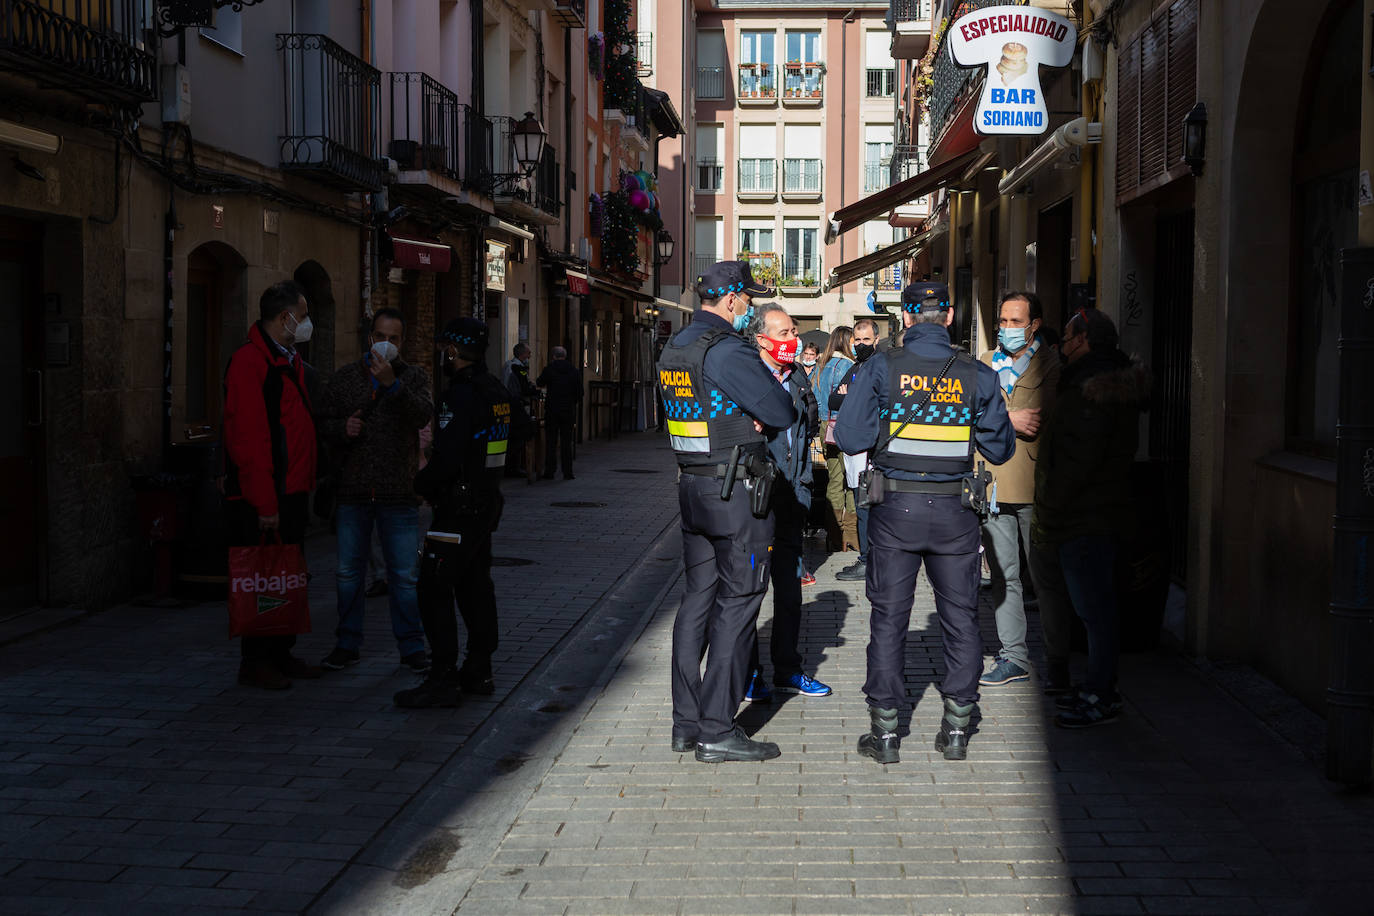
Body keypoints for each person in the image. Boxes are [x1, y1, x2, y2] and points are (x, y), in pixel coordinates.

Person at [835, 281, 1014, 763]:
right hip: (956, 513)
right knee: (960, 618)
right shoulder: (978, 374)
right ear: (950, 316)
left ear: (907, 319)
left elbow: (850, 438)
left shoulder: (880, 367)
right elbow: (1000, 448)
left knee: (889, 619)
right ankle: (957, 728)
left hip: (894, 511)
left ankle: (886, 733)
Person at [659, 260, 796, 762]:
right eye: (749, 300)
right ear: (733, 300)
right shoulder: (727, 348)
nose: (751, 308)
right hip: (736, 493)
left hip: (693, 486)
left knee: (697, 600)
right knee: (741, 600)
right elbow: (781, 411)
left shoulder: (676, 345)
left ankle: (685, 722)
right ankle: (717, 728)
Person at [1030, 307, 1149, 728]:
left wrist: (1050, 511)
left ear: (1083, 340)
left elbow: (1078, 462)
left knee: (1095, 611)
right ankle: (1100, 687)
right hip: (1095, 514)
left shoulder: (1088, 391)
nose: (1061, 340)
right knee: (1096, 610)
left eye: (1066, 334)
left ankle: (1102, 694)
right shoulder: (1097, 383)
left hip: (1084, 519)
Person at [396, 317, 521, 708]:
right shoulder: (496, 391)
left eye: (442, 349)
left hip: (458, 508)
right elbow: (522, 431)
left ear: (452, 351)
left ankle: (441, 677)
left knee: (433, 588)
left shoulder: (459, 396)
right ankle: (479, 668)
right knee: (475, 586)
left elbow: (448, 457)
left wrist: (420, 486)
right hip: (486, 503)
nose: (440, 356)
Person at [317, 308, 433, 675]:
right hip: (353, 491)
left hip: (398, 491)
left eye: (394, 337)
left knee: (404, 575)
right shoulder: (346, 377)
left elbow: (422, 415)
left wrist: (393, 386)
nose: (387, 343)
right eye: (381, 335)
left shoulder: (413, 377)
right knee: (349, 573)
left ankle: (412, 647)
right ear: (370, 338)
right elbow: (323, 424)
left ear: (402, 341)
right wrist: (341, 428)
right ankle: (347, 644)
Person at [222, 280, 321, 690]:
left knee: (287, 574)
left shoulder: (288, 358)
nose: (307, 322)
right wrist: (264, 503)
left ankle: (281, 651)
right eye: (304, 313)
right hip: (266, 495)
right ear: (286, 317)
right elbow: (249, 440)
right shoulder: (250, 362)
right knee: (263, 576)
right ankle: (257, 659)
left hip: (293, 490)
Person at [741, 304, 832, 704]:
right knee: (748, 592)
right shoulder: (744, 377)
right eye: (783, 333)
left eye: (793, 331)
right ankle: (747, 675)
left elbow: (808, 426)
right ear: (761, 338)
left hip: (793, 495)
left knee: (789, 591)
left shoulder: (797, 378)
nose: (792, 340)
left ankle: (788, 670)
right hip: (756, 501)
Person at [977, 291, 1060, 688]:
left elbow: (1046, 419)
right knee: (1003, 578)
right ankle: (1014, 657)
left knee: (1045, 579)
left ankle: (1059, 664)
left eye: (1015, 322)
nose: (1007, 329)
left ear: (1034, 326)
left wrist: (994, 418)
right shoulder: (982, 365)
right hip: (991, 484)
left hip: (1034, 486)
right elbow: (965, 413)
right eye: (1003, 321)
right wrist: (1008, 417)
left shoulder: (1052, 365)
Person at [832, 318, 881, 581]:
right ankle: (867, 558)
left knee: (867, 506)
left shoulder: (877, 366)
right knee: (861, 503)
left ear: (877, 339)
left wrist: (849, 394)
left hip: (869, 450)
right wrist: (850, 394)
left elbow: (870, 400)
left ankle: (868, 561)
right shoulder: (855, 367)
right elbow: (833, 398)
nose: (861, 344)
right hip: (854, 450)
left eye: (866, 340)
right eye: (857, 340)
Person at [813, 326, 855, 552]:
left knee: (834, 478)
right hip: (845, 425)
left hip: (824, 426)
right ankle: (850, 535)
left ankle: (834, 535)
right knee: (852, 479)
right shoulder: (849, 367)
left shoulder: (821, 366)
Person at [536, 346, 582, 481]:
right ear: (565, 356)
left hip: (552, 410)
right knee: (566, 442)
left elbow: (539, 382)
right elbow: (580, 392)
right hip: (568, 410)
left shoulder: (549, 369)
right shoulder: (574, 371)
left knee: (551, 441)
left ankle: (550, 471)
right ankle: (568, 472)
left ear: (553, 356)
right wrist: (572, 402)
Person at [501, 343, 538, 477]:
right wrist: (533, 390)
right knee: (518, 436)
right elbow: (523, 388)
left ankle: (511, 466)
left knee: (512, 437)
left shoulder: (508, 365)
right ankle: (512, 467)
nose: (530, 356)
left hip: (509, 404)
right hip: (515, 405)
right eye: (528, 353)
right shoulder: (517, 367)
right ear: (522, 354)